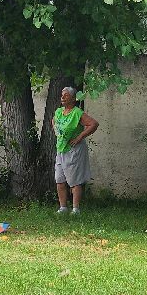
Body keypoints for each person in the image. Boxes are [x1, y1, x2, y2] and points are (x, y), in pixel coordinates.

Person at [53, 87, 98, 215]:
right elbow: (53, 121)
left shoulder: (77, 112)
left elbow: (93, 124)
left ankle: (75, 209)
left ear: (73, 99)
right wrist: (56, 131)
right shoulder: (59, 111)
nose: (62, 97)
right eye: (62, 95)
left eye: (66, 95)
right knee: (59, 179)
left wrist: (79, 137)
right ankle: (63, 208)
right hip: (61, 149)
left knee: (74, 180)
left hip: (74, 150)